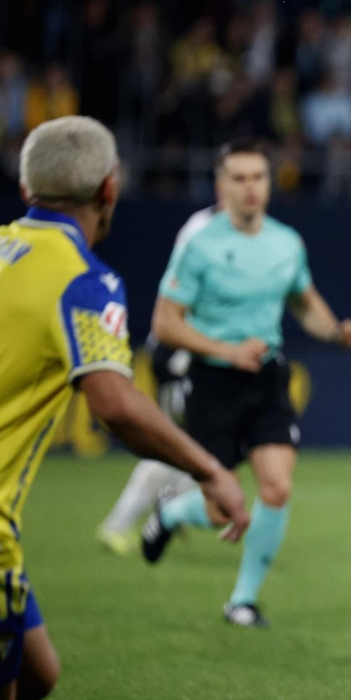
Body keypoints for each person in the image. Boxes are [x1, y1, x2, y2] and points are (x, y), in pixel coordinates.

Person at [0, 116, 249, 700]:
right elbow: (115, 406)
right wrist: (209, 469)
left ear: (27, 183)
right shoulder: (83, 279)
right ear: (110, 189)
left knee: (37, 675)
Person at [139, 140, 351, 628]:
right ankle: (171, 515)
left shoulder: (286, 242)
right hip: (211, 382)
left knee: (277, 488)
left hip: (266, 379)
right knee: (221, 510)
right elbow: (164, 323)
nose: (250, 188)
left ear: (270, 184)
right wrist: (225, 350)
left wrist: (337, 332)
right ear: (221, 187)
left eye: (258, 178)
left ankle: (241, 602)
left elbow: (303, 302)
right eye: (239, 178)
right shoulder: (199, 247)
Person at [96, 203, 218, 555]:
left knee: (194, 447)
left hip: (196, 356)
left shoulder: (223, 228)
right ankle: (120, 525)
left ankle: (170, 508)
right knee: (172, 445)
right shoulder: (203, 229)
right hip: (179, 354)